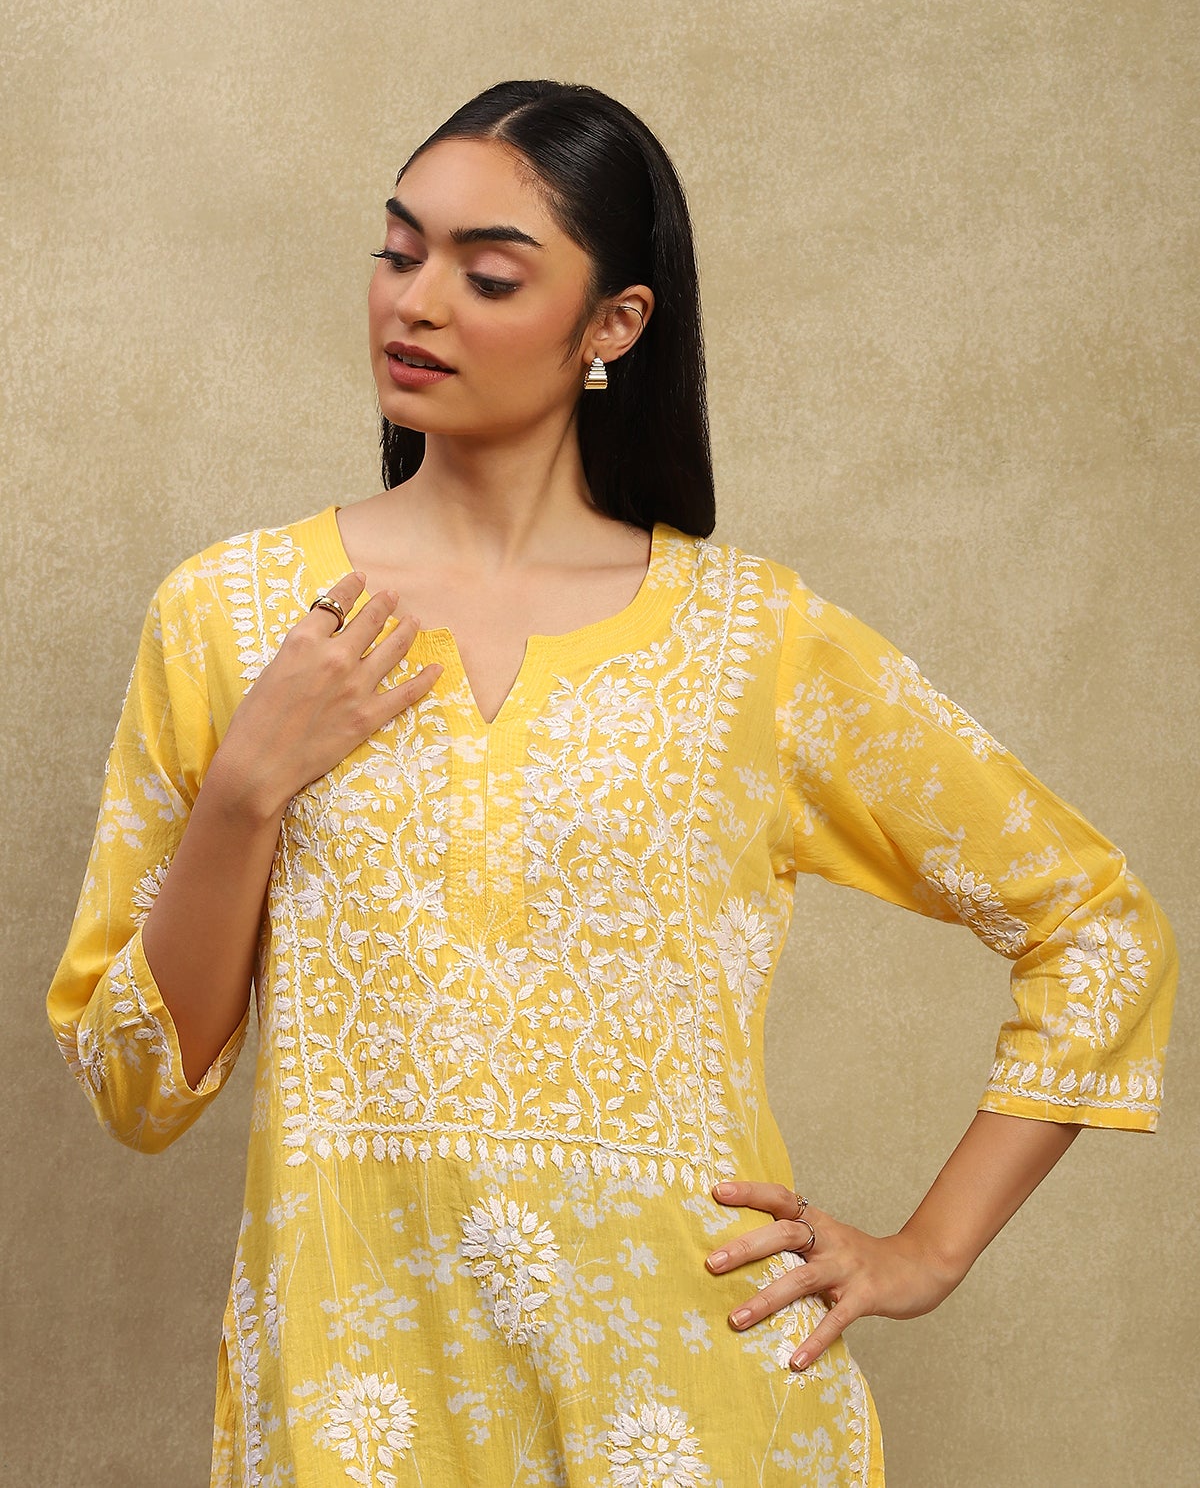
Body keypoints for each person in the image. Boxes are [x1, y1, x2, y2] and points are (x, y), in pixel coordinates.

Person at [47, 79, 1178, 1488]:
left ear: (613, 326)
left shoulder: (752, 643)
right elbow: (137, 1086)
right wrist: (242, 792)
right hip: (357, 1417)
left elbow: (1097, 924)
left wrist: (926, 1251)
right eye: (399, 253)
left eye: (489, 275)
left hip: (694, 1415)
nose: (416, 303)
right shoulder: (232, 618)